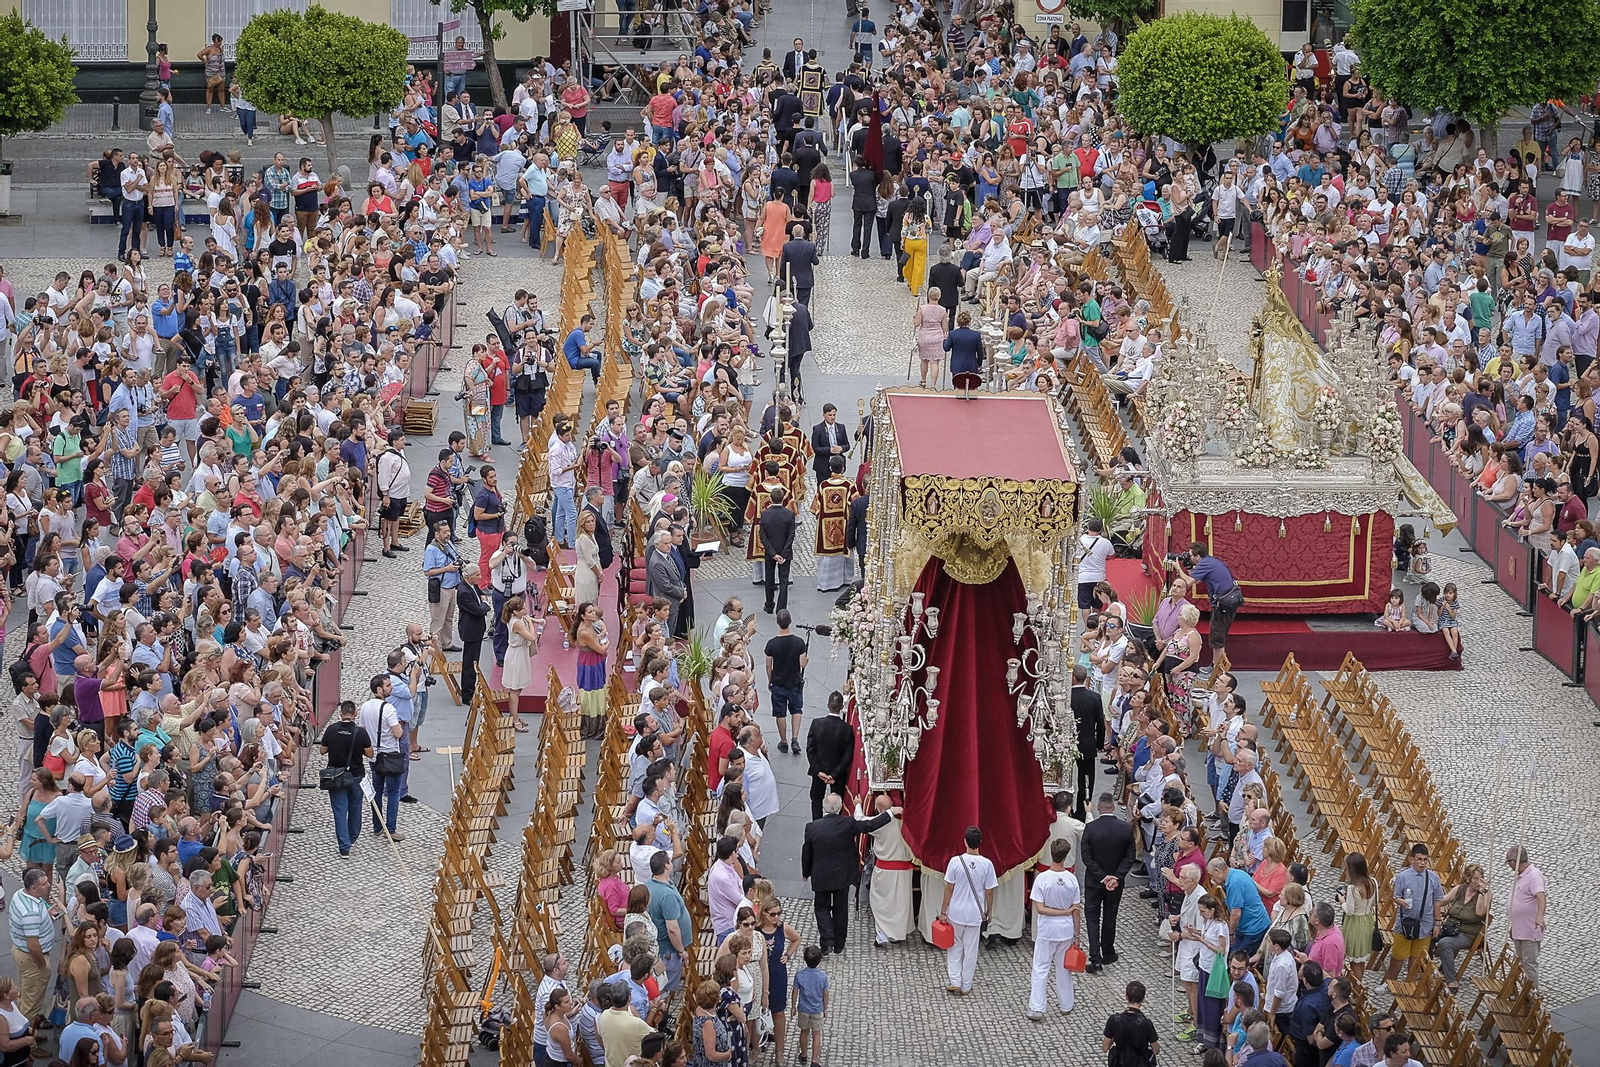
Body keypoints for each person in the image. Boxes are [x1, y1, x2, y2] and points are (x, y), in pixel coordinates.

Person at [800, 792, 895, 955]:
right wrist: (890, 813)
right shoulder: (848, 823)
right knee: (840, 908)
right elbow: (870, 826)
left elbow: (806, 852)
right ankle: (839, 943)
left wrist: (806, 872)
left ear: (824, 807)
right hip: (842, 875)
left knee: (821, 907)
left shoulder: (812, 827)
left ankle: (827, 940)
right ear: (839, 808)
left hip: (821, 874)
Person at [1027, 837, 1084, 1021]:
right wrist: (1077, 935)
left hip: (1047, 930)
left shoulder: (1042, 879)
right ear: (1066, 856)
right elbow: (1076, 911)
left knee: (1040, 968)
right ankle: (1066, 1004)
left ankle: (1037, 1007)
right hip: (1066, 930)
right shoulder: (1072, 879)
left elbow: (1040, 908)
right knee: (1063, 968)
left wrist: (1062, 912)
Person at [938, 826, 997, 995]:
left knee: (954, 947)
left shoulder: (955, 862)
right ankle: (966, 985)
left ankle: (954, 979)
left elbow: (949, 888)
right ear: (980, 842)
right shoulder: (987, 864)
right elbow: (989, 891)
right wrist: (989, 910)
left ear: (965, 841)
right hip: (975, 913)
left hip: (956, 911)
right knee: (971, 950)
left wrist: (943, 911)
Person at [1081, 792, 1135, 973]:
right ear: (1113, 807)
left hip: (1094, 882)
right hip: (1115, 884)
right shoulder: (1126, 828)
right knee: (1110, 916)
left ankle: (1095, 957)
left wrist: (1102, 877)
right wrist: (1116, 877)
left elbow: (1086, 858)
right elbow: (1130, 857)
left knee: (1092, 918)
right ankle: (1108, 952)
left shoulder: (1091, 829)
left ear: (1098, 807)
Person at [318, 700, 372, 858]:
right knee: (355, 809)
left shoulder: (332, 730)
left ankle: (344, 846)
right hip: (356, 775)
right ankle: (352, 837)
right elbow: (370, 754)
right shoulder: (361, 733)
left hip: (336, 776)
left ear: (340, 714)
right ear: (355, 714)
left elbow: (322, 750)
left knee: (340, 811)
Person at [1384, 842, 1442, 982]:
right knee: (1397, 956)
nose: (1422, 863)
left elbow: (1437, 901)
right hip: (1406, 923)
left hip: (1425, 924)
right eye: (1419, 859)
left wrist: (1437, 923)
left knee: (1416, 958)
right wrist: (1401, 902)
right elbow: (1396, 896)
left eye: (1425, 860)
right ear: (1412, 859)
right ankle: (1389, 982)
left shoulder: (1433, 878)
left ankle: (1410, 983)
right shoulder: (1403, 877)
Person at [1172, 542, 1244, 650]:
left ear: (1198, 557)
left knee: (1217, 638)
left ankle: (1216, 666)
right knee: (1218, 636)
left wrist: (1178, 568)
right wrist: (1189, 566)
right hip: (1229, 600)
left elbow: (1189, 582)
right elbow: (1197, 580)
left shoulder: (1204, 565)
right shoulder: (1210, 561)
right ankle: (1217, 663)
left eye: (1190, 555)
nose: (1188, 556)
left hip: (1223, 604)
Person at [803, 691, 854, 820]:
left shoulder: (816, 723)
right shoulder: (847, 729)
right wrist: (834, 774)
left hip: (818, 772)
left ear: (828, 705)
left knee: (816, 800)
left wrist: (819, 770)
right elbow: (847, 756)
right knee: (837, 803)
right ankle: (835, 826)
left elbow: (810, 750)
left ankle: (816, 824)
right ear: (842, 707)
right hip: (837, 774)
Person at [764, 611, 808, 754]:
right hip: (794, 682)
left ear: (777, 622)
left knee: (780, 713)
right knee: (796, 710)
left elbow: (768, 665)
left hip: (778, 683)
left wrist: (770, 680)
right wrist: (806, 661)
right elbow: (802, 664)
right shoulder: (799, 642)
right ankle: (795, 738)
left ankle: (783, 742)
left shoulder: (771, 644)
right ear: (790, 621)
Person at [1506, 846, 1546, 987]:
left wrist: (1539, 917)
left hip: (1529, 930)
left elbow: (1541, 896)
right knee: (1521, 963)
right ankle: (1524, 992)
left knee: (1529, 963)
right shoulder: (1521, 875)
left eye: (1508, 861)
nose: (1508, 865)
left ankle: (1533, 996)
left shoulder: (1534, 876)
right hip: (1519, 929)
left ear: (1515, 861)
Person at [1102, 980, 1160, 1066]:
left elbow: (1105, 1047)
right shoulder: (1146, 1024)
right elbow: (1156, 1050)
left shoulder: (1114, 1020)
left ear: (1126, 997)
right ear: (1143, 999)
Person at [456, 566, 491, 707]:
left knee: (473, 660)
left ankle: (471, 688)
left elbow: (480, 592)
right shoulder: (463, 592)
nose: (480, 577)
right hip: (470, 630)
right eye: (477, 575)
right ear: (469, 576)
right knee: (470, 662)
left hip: (476, 629)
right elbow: (478, 610)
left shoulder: (472, 586)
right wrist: (485, 603)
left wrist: (482, 599)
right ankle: (467, 694)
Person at [758, 487, 796, 614]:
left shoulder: (765, 514)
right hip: (785, 553)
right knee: (783, 580)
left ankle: (769, 605)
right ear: (783, 498)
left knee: (769, 579)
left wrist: (773, 554)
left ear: (770, 498)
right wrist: (784, 553)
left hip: (770, 553)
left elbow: (763, 536)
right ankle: (781, 608)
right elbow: (791, 536)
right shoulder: (789, 514)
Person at [791, 945, 828, 1067]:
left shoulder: (800, 974)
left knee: (804, 1032)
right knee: (816, 1034)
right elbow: (825, 994)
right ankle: (814, 1060)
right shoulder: (822, 976)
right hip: (817, 1010)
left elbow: (795, 991)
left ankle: (803, 1055)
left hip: (803, 1009)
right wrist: (825, 1008)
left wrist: (793, 1006)